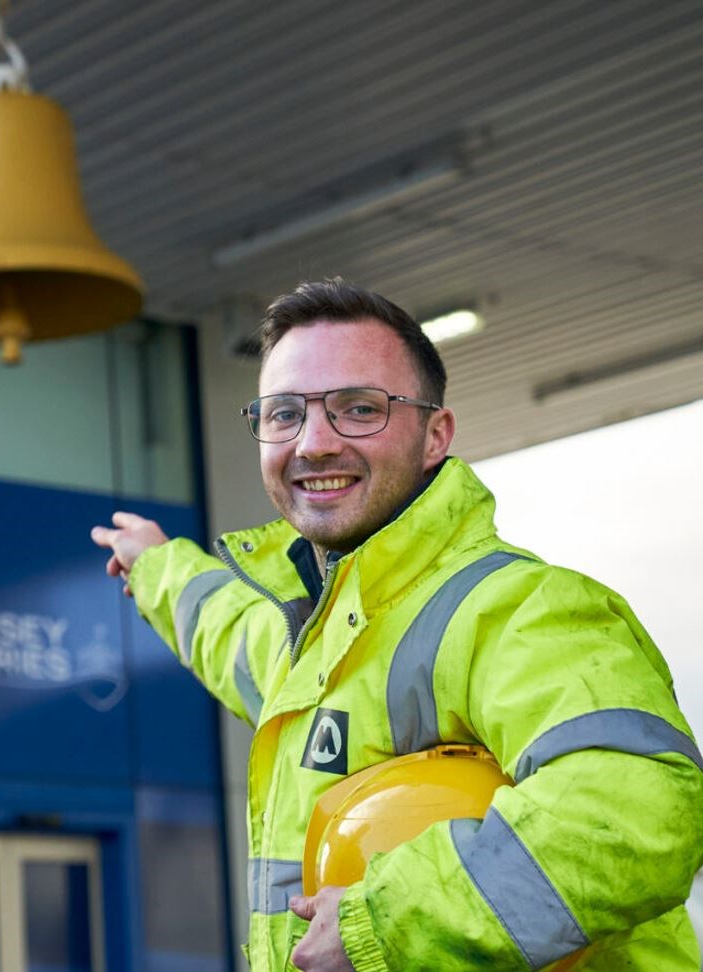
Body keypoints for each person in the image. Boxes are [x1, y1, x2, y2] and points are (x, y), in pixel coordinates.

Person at [91, 279, 703, 970]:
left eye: (358, 409)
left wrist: (379, 926)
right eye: (283, 413)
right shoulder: (309, 648)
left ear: (434, 435)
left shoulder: (519, 609)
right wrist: (154, 566)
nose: (313, 443)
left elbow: (633, 811)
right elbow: (226, 630)